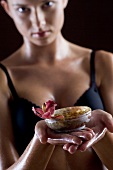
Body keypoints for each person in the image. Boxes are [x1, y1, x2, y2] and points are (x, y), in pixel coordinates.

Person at [0, 0, 113, 169]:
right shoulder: (2, 78)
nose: (39, 21)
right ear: (7, 8)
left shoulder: (104, 64)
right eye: (23, 9)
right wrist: (40, 142)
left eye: (47, 4)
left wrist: (102, 136)